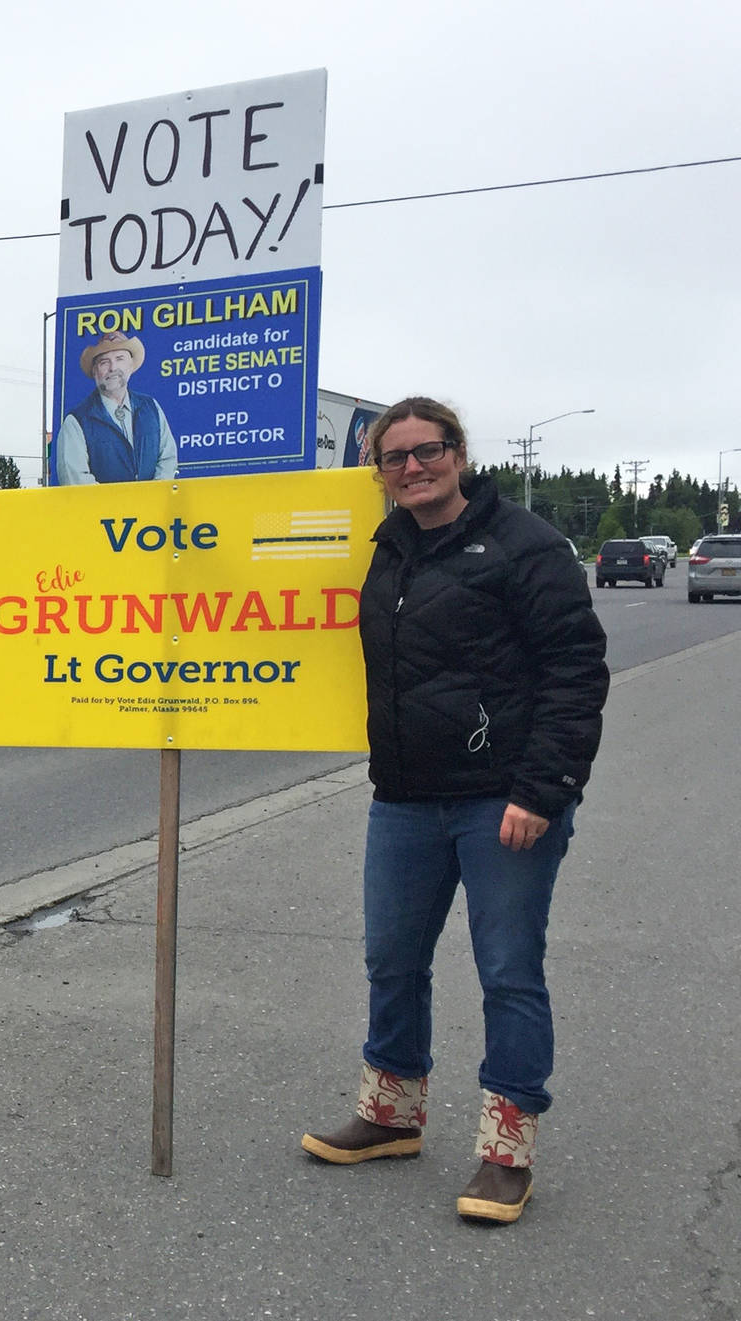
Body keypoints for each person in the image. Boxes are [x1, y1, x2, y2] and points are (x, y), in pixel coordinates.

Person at [300, 396, 607, 1225]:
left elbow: (575, 673)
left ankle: (507, 1151)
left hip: (503, 800)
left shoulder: (525, 546)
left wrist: (541, 792)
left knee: (509, 973)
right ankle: (391, 1113)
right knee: (392, 960)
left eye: (426, 450)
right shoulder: (386, 548)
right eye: (394, 457)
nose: (412, 467)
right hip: (403, 797)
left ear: (459, 453)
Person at [54, 331, 178, 484]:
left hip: (152, 506)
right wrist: (120, 506)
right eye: (104, 362)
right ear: (94, 371)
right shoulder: (76, 422)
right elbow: (75, 480)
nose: (113, 368)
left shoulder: (151, 408)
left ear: (131, 365)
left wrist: (150, 499)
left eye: (120, 359)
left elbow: (167, 459)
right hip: (102, 508)